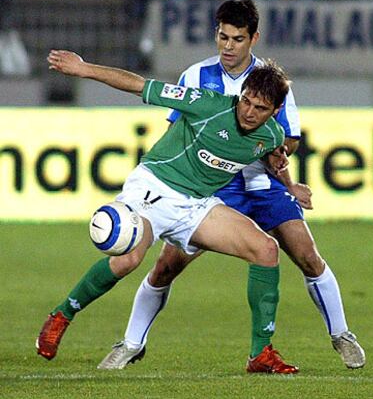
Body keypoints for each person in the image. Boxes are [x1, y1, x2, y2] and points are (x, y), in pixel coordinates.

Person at [97, 0, 365, 372]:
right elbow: (178, 129)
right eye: (223, 37)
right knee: (165, 267)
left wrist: (280, 157)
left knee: (307, 254)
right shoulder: (196, 75)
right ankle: (131, 343)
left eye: (237, 39)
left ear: (253, 38)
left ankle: (341, 334)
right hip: (212, 190)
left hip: (262, 186)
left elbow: (290, 138)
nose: (227, 46)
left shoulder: (272, 82)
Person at [36, 50, 291, 370]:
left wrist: (278, 166)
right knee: (128, 258)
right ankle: (63, 314)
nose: (250, 112)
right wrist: (84, 69)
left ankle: (260, 354)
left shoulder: (272, 135)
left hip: (197, 205)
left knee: (266, 249)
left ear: (275, 110)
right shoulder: (206, 104)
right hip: (154, 188)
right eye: (247, 101)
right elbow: (140, 85)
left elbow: (269, 152)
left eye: (261, 108)